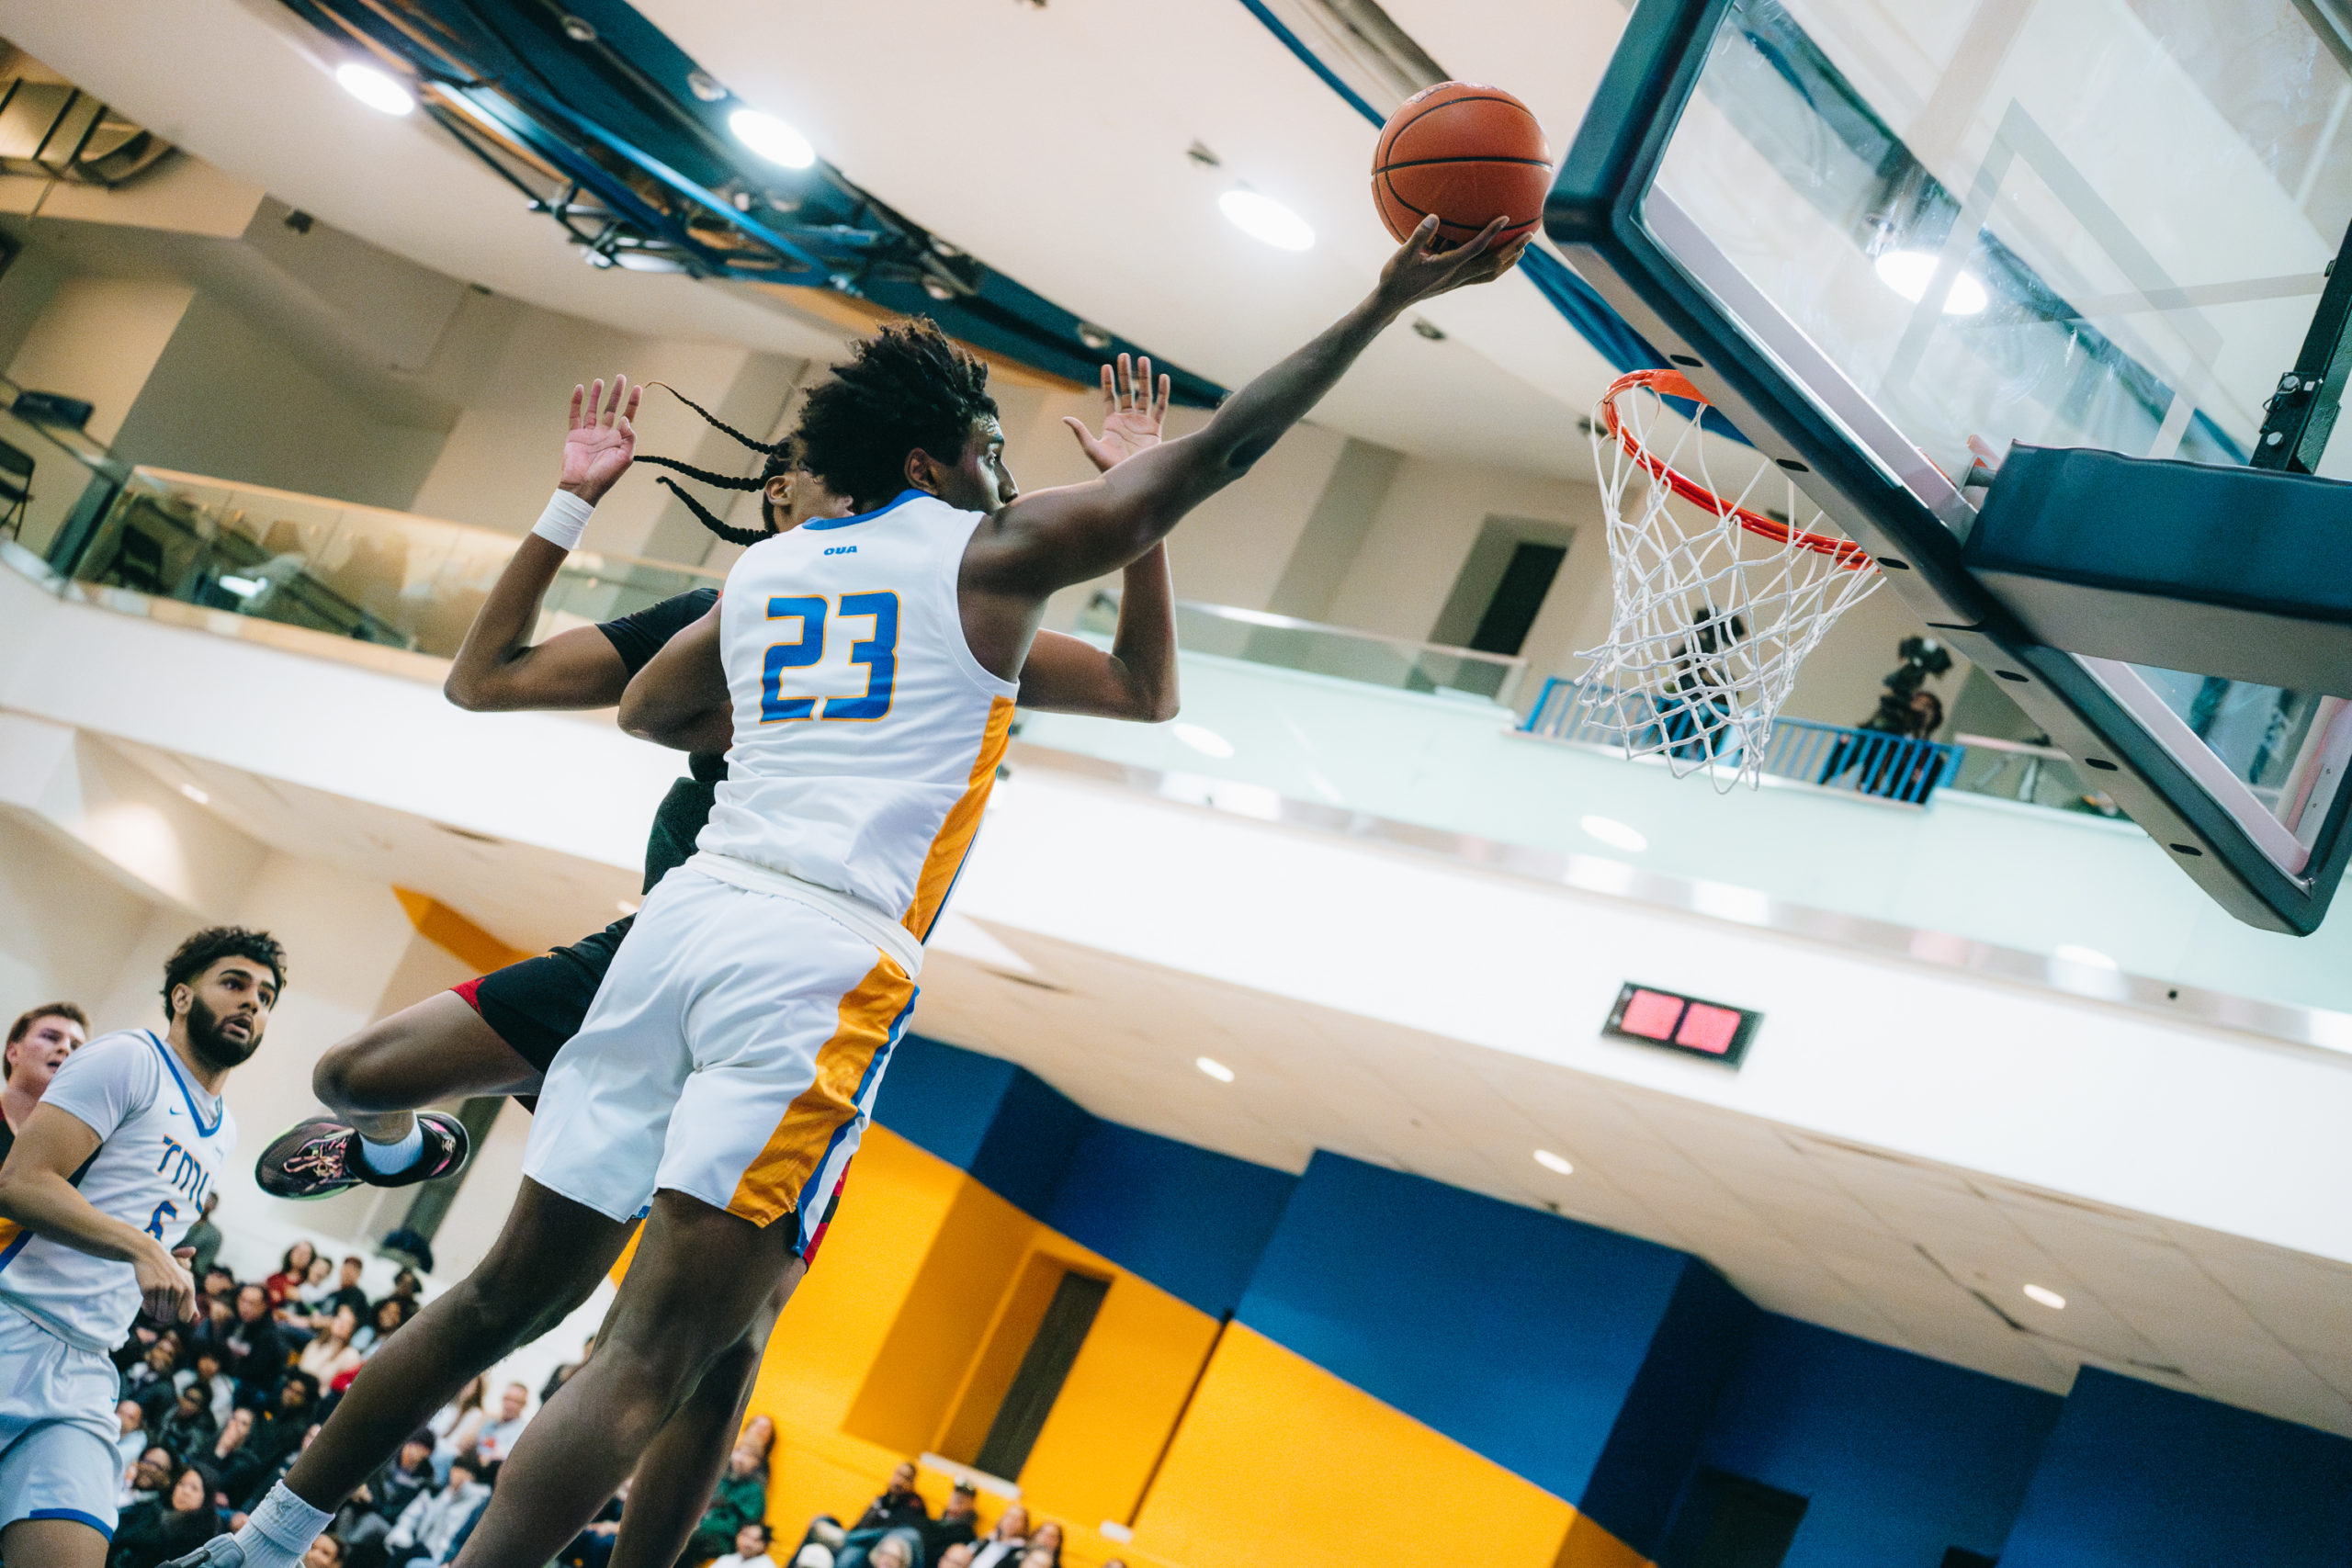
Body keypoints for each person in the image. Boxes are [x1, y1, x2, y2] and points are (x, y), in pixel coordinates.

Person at [433, 213, 1520, 1568]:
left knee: (596, 1317)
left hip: (688, 914)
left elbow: (653, 710)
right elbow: (1226, 449)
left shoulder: (769, 566)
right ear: (927, 458)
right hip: (816, 953)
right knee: (654, 1352)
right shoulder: (984, 555)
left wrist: (777, 733)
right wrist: (1379, 300)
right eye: (988, 448)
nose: (1002, 471)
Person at [166, 356, 1192, 1568]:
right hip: (671, 946)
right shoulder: (739, 607)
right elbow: (485, 678)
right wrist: (572, 505)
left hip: (762, 976)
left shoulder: (961, 612)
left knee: (718, 1349)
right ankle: (417, 1154)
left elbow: (1138, 689)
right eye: (794, 483)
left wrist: (1131, 504)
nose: (813, 499)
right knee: (357, 1080)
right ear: (781, 505)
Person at [0, 926, 284, 1568]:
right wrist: (139, 1246)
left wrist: (163, 1265)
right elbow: (20, 1182)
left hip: (83, 1368)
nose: (251, 1003)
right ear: (182, 996)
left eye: (265, 996)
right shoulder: (129, 1056)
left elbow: (134, 1228)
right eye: (234, 984)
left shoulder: (225, 1128)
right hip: (12, 1320)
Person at [3, 1002, 88, 1161]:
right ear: (13, 1052)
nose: (65, 1048)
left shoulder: (82, 1150)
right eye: (50, 1037)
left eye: (76, 1046)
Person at [111, 1463, 227, 1568]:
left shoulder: (203, 1538)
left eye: (194, 1488)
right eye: (182, 1484)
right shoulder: (152, 1511)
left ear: (206, 1497)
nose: (185, 1491)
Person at [380, 1461, 484, 1568]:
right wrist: (403, 1537)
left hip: (442, 1557)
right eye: (456, 1470)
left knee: (411, 1561)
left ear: (472, 1478)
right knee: (401, 1553)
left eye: (464, 1473)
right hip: (418, 1546)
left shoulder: (476, 1506)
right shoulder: (437, 1492)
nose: (457, 1476)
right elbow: (409, 1517)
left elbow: (454, 1541)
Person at [683, 1441, 766, 1565]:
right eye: (739, 1452)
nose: (741, 1458)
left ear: (757, 1462)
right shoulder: (721, 1476)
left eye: (749, 1456)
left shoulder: (754, 1491)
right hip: (701, 1525)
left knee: (691, 1541)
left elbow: (746, 1524)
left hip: (725, 1539)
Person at [296, 1308, 363, 1388]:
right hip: (298, 1385)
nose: (342, 1324)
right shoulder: (317, 1343)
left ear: (352, 1330)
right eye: (339, 1319)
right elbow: (301, 1367)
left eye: (348, 1323)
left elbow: (344, 1386)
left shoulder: (350, 1355)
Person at [469, 1386, 529, 1472]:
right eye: (507, 1399)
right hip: (471, 1466)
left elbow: (504, 1458)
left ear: (524, 1405)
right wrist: (482, 1418)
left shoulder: (523, 1430)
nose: (509, 1404)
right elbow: (466, 1446)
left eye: (515, 1401)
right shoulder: (490, 1421)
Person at [179, 1195, 225, 1281]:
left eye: (210, 1201)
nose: (205, 1203)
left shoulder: (213, 1235)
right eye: (204, 1198)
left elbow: (201, 1266)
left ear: (213, 1207)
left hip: (184, 1274)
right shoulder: (176, 1217)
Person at [710, 1520, 775, 1568]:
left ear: (765, 1545)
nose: (748, 1543)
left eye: (756, 1540)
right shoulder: (726, 1560)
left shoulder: (766, 1566)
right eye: (746, 1536)